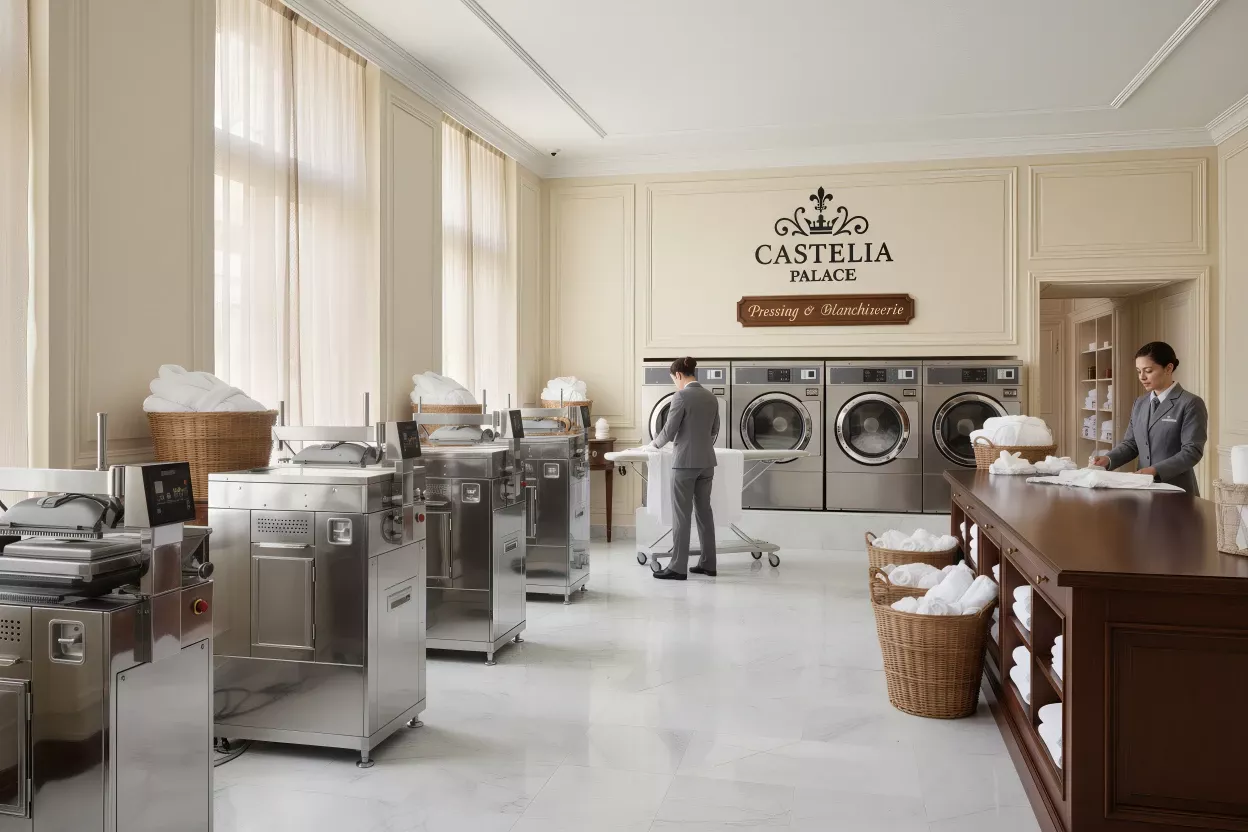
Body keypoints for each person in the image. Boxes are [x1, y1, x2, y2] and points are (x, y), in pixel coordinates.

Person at [1091, 341, 1208, 495]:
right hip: (1143, 488)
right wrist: (1108, 459)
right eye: (1139, 371)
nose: (1142, 377)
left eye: (1148, 371)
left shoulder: (1190, 403)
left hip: (1177, 490)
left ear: (1169, 368)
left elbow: (1192, 451)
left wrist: (1154, 470)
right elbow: (1131, 443)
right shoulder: (1140, 403)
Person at [643, 357, 720, 579]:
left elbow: (669, 431)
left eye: (673, 379)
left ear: (678, 375)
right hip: (707, 462)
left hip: (685, 463)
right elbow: (714, 429)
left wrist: (653, 445)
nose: (675, 383)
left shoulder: (681, 396)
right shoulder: (711, 397)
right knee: (705, 513)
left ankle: (677, 567)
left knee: (682, 515)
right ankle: (708, 564)